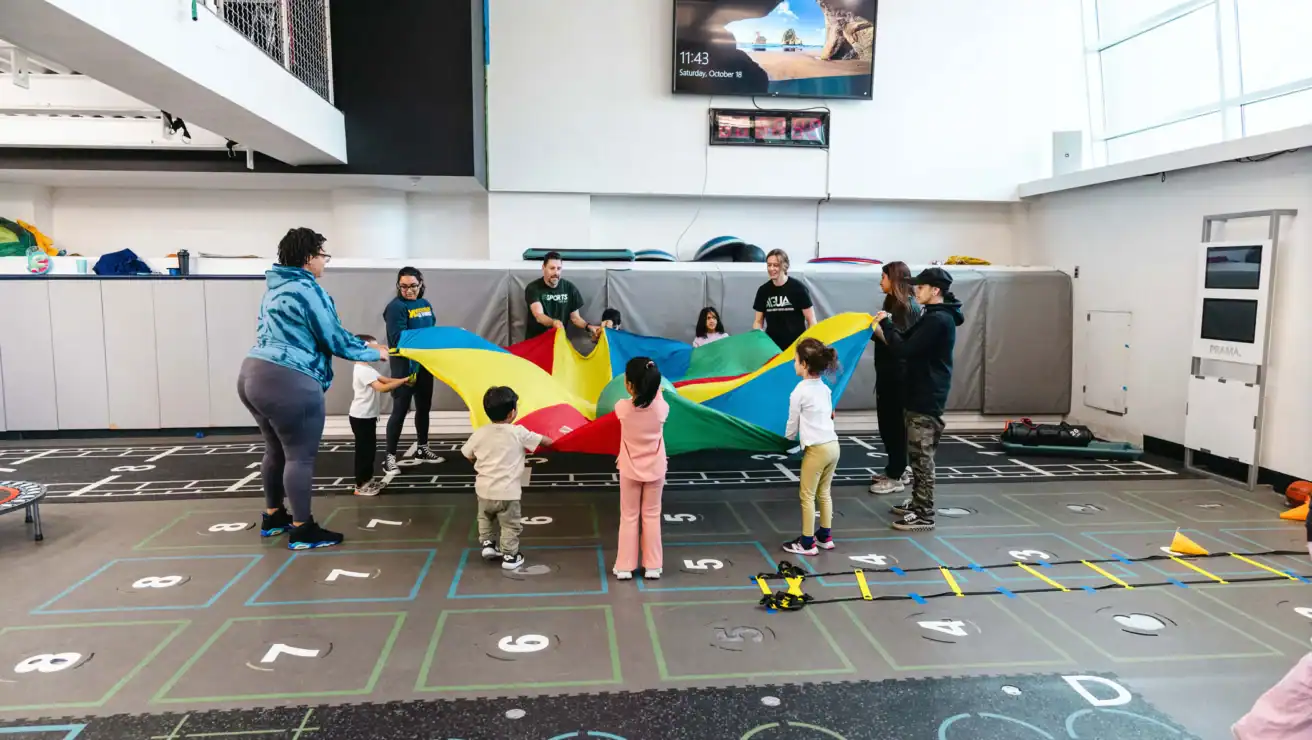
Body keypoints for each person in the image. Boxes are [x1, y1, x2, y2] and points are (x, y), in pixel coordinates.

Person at [238, 227, 388, 550]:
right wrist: (377, 352)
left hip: (252, 373)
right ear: (308, 259)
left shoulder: (274, 290)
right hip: (289, 379)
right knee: (299, 457)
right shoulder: (308, 290)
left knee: (274, 450)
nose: (325, 262)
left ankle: (273, 516)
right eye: (323, 255)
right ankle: (303, 529)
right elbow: (333, 337)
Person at [872, 267, 964, 532]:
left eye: (921, 287)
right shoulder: (932, 316)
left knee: (922, 459)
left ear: (935, 291)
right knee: (916, 454)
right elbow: (906, 341)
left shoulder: (939, 320)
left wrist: (887, 325)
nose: (916, 290)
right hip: (917, 393)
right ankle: (917, 502)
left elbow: (905, 349)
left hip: (926, 396)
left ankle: (924, 513)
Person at [461, 386, 550, 570]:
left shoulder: (480, 433)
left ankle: (487, 544)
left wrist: (477, 463)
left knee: (484, 517)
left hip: (484, 489)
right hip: (508, 492)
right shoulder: (518, 432)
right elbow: (543, 441)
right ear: (512, 413)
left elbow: (467, 453)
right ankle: (510, 556)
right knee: (510, 525)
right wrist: (562, 439)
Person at [781, 338, 841, 556]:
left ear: (804, 364)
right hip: (833, 446)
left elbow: (792, 422)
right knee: (824, 492)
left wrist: (786, 439)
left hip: (817, 450)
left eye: (795, 360)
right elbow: (829, 413)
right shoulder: (824, 388)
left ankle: (807, 543)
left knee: (807, 495)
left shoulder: (799, 391)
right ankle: (825, 536)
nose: (794, 364)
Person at [612, 357, 670, 580]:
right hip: (656, 469)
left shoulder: (622, 409)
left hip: (629, 469)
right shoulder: (662, 409)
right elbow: (656, 399)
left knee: (629, 516)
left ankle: (625, 566)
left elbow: (633, 401)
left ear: (628, 385)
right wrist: (657, 391)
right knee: (652, 515)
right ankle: (653, 566)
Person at [868, 261, 922, 496]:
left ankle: (897, 475)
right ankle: (896, 468)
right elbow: (886, 337)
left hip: (899, 376)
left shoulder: (906, 307)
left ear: (894, 279)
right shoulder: (891, 303)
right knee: (888, 425)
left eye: (883, 277)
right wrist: (873, 328)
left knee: (894, 426)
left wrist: (878, 326)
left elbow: (897, 343)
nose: (881, 281)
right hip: (888, 373)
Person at [383, 267, 440, 474]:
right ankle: (389, 457)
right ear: (398, 286)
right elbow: (398, 338)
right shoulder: (395, 307)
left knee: (424, 407)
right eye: (404, 286)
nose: (409, 290)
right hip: (404, 365)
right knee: (400, 410)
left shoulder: (425, 304)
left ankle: (422, 448)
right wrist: (423, 341)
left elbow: (431, 330)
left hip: (424, 363)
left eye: (413, 286)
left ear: (421, 284)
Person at [348, 334, 411, 496]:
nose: (378, 351)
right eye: (374, 347)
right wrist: (404, 381)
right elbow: (382, 387)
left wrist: (404, 379)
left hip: (367, 416)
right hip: (361, 417)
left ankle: (367, 481)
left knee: (369, 450)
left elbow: (386, 380)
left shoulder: (367, 368)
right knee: (364, 452)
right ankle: (361, 486)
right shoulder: (362, 370)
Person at [525, 252, 601, 341]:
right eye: (552, 268)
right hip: (536, 341)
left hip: (558, 342)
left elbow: (575, 318)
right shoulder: (533, 288)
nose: (556, 272)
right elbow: (539, 316)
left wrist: (588, 327)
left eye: (559, 268)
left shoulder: (569, 288)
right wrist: (553, 322)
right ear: (543, 268)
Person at [753, 249, 817, 351]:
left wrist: (808, 345)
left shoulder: (798, 289)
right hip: (772, 347)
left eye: (776, 265)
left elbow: (811, 320)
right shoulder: (763, 291)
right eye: (769, 265)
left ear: (785, 266)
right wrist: (760, 341)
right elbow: (758, 321)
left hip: (796, 346)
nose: (771, 268)